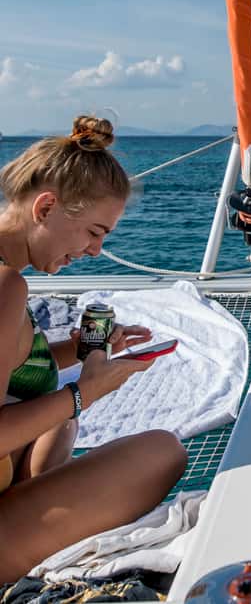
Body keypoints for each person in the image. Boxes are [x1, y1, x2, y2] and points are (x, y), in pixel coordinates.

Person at [0, 116, 187, 583]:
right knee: (161, 451)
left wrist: (80, 348)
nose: (96, 250)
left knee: (60, 422)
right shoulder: (5, 287)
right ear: (46, 207)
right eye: (93, 231)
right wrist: (86, 391)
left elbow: (11, 364)